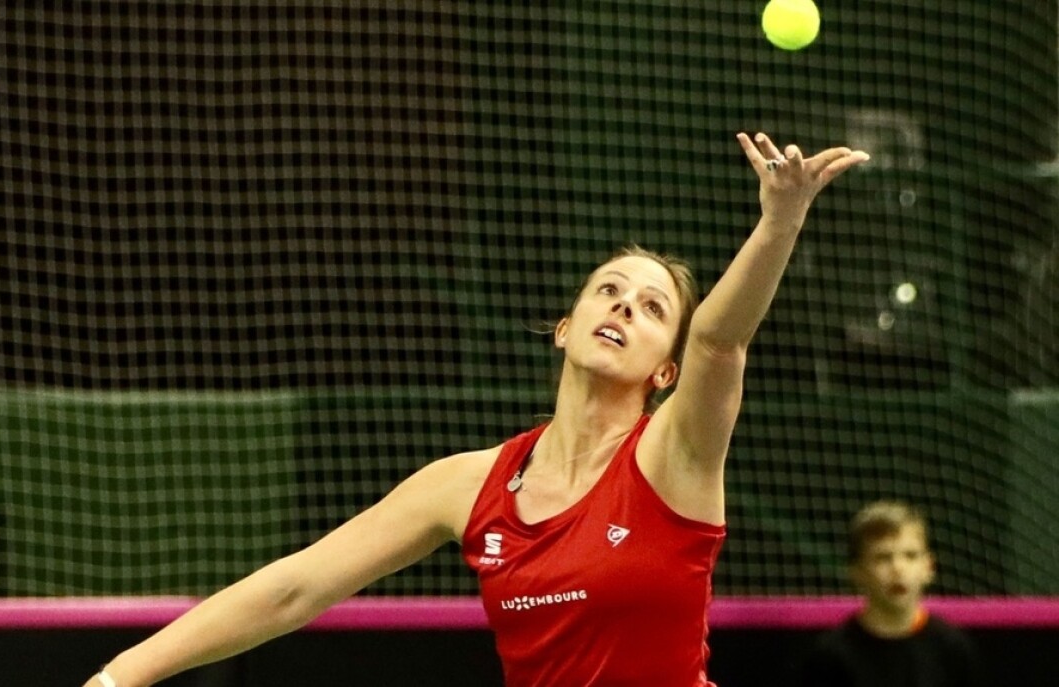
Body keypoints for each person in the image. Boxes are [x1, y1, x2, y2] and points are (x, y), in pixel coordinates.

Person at [83, 133, 869, 687]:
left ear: (666, 368)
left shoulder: (675, 456)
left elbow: (720, 341)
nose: (625, 307)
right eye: (609, 290)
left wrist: (779, 221)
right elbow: (297, 586)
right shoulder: (465, 485)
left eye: (652, 307)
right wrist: (121, 675)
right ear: (565, 327)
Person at [796, 500, 984, 687]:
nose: (898, 568)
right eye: (883, 558)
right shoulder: (830, 656)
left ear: (929, 567)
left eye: (910, 555)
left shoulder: (952, 649)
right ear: (858, 572)